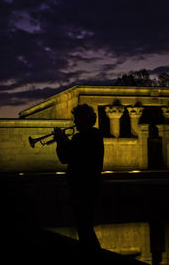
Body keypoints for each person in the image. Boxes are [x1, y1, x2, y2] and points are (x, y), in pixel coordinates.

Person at [54, 104, 104, 254]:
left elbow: (65, 157)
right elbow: (75, 152)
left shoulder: (84, 136)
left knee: (84, 226)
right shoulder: (93, 135)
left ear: (83, 119)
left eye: (76, 119)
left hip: (82, 186)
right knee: (85, 225)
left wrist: (60, 141)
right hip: (90, 185)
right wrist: (65, 141)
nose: (74, 123)